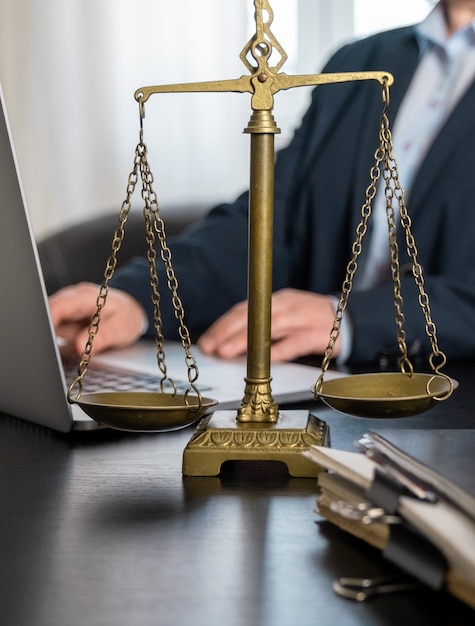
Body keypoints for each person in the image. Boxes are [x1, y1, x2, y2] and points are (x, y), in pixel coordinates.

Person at [50, 0, 475, 366]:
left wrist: (352, 320)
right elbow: (270, 221)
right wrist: (142, 298)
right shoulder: (360, 63)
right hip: (317, 386)